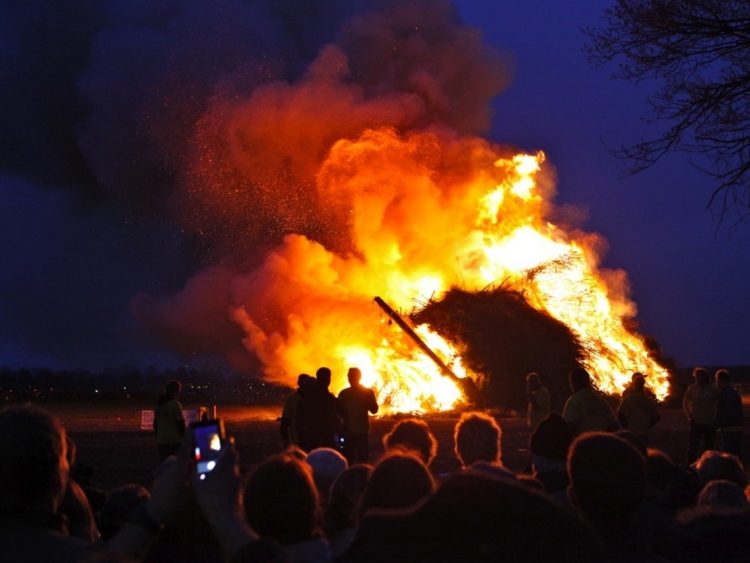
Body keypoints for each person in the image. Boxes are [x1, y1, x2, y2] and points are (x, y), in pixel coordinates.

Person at [337, 367, 379, 464]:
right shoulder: (345, 393)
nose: (349, 378)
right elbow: (374, 410)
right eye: (349, 376)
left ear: (358, 377)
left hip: (356, 432)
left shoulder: (346, 393)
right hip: (354, 432)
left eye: (351, 376)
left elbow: (374, 410)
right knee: (356, 459)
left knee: (354, 459)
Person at [296, 367, 342, 452]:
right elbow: (335, 415)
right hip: (323, 435)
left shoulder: (306, 397)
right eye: (327, 378)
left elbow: (300, 417)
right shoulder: (328, 398)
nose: (328, 380)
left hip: (311, 436)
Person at [562, 367, 618, 435]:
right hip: (602, 442)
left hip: (584, 442)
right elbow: (613, 425)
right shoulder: (600, 401)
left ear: (574, 382)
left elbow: (568, 426)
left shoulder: (574, 401)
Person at [682, 367, 720, 464]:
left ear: (705, 376)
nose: (698, 379)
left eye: (700, 376)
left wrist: (716, 416)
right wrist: (689, 415)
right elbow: (685, 402)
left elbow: (720, 402)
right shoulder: (692, 389)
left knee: (709, 446)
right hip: (696, 421)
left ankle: (710, 464)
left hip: (710, 421)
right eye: (696, 377)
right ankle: (690, 465)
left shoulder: (713, 388)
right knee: (693, 446)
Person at [617, 372, 660, 445]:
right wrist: (648, 425)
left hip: (631, 431)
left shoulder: (628, 399)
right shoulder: (647, 400)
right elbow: (657, 417)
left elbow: (620, 414)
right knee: (642, 451)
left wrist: (626, 427)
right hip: (643, 432)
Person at [714, 369, 743, 458]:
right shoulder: (733, 392)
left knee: (728, 453)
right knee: (736, 451)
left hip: (729, 426)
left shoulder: (725, 393)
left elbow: (726, 411)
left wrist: (718, 423)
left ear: (719, 380)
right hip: (736, 425)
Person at [154, 379, 186, 461]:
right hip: (174, 441)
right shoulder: (175, 405)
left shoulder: (158, 405)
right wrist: (184, 437)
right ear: (175, 391)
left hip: (161, 441)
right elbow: (180, 423)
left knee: (165, 465)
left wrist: (158, 437)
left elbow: (155, 424)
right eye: (178, 390)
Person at [281, 374, 312, 448]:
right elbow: (285, 421)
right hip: (297, 439)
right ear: (299, 383)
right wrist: (285, 438)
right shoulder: (292, 400)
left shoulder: (313, 399)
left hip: (311, 439)